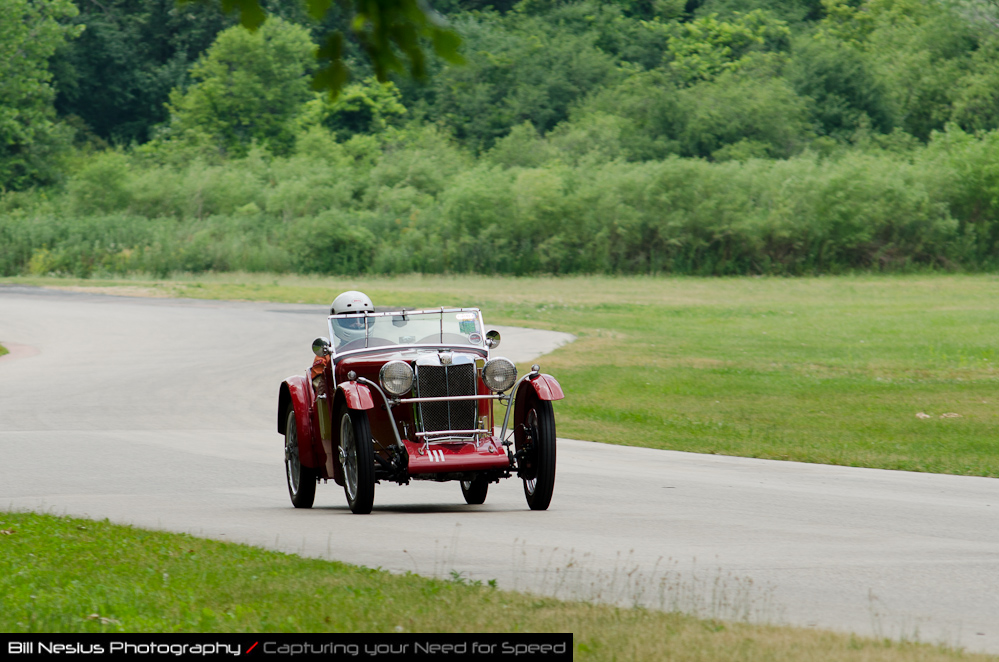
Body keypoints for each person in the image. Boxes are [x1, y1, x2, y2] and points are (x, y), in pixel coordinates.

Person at [312, 291, 374, 381]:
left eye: (363, 319)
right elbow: (320, 389)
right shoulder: (327, 356)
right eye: (350, 320)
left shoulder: (379, 351)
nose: (358, 324)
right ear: (337, 321)